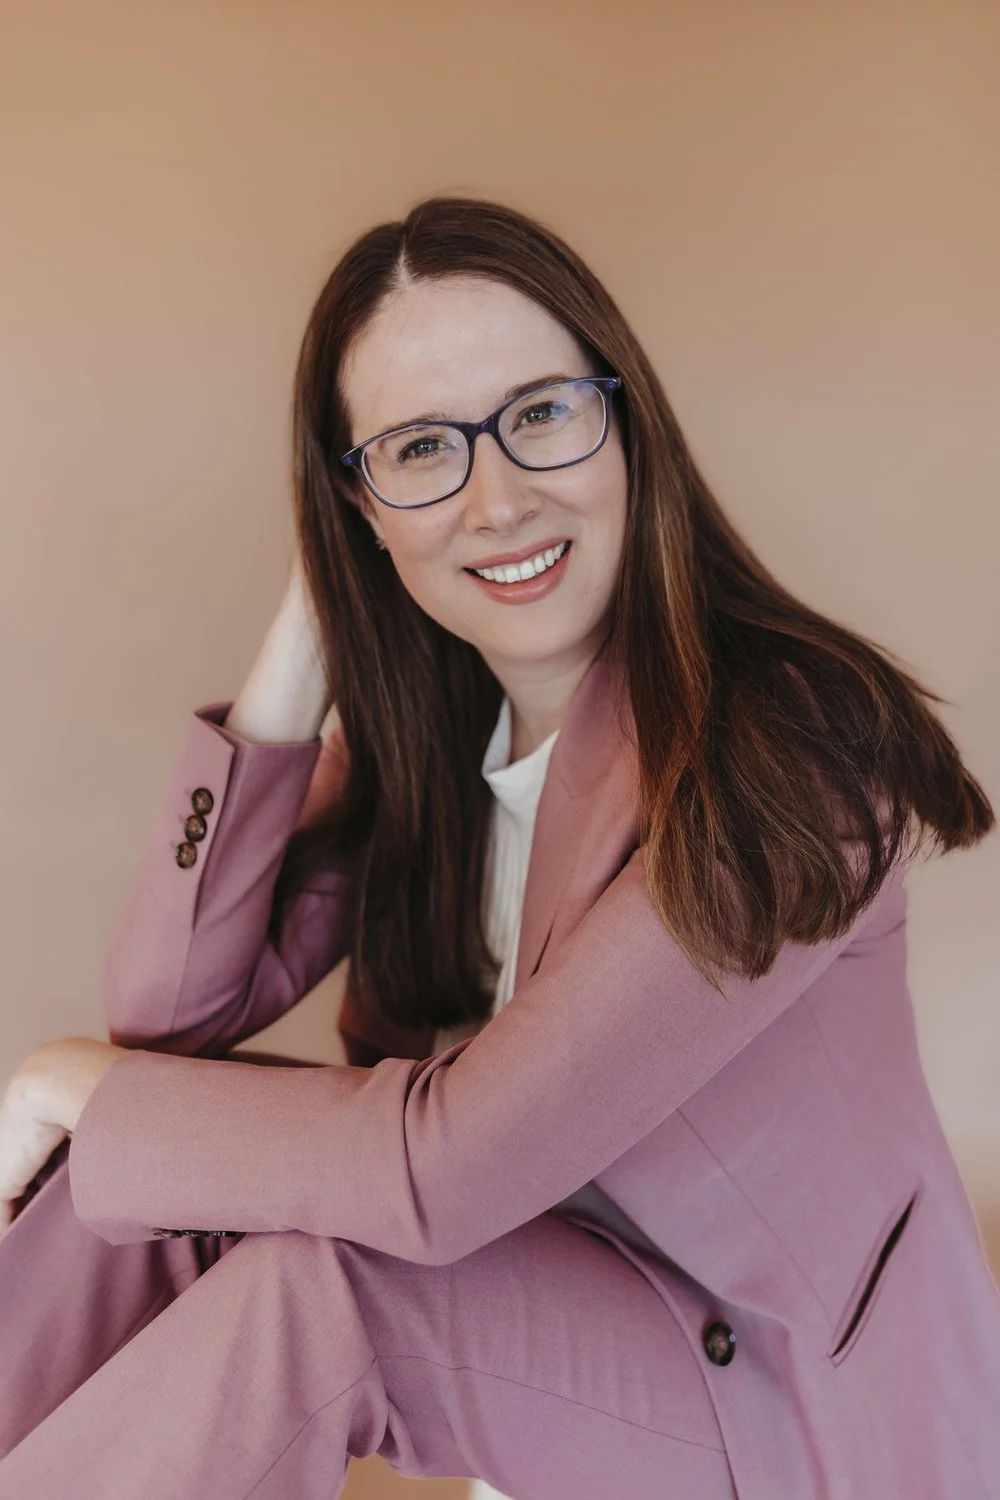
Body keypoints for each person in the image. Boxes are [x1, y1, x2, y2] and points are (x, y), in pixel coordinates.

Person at [0, 194, 997, 1499]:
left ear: (624, 422)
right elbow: (170, 1014)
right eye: (420, 450)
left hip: (781, 1398)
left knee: (312, 1287)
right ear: (355, 505)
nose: (497, 498)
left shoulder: (789, 749)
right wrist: (301, 654)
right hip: (556, 1314)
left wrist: (71, 1083)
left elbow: (454, 1166)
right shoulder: (438, 737)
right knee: (119, 1186)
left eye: (538, 415)